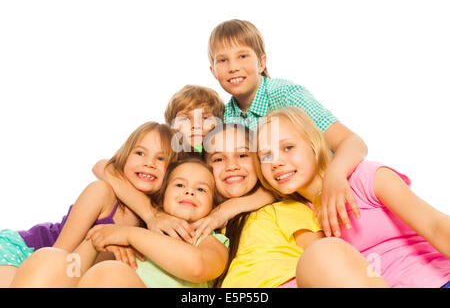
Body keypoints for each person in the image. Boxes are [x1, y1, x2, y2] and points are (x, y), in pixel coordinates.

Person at [255, 106, 450, 288]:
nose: (276, 162)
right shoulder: (296, 219)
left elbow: (436, 227)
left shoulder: (365, 178)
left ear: (313, 144)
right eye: (265, 156)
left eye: (288, 147)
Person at [207, 19, 367, 239]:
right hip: (293, 207)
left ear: (262, 62)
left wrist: (335, 175)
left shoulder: (286, 95)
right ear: (213, 70)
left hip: (332, 192)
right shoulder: (227, 117)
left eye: (243, 56)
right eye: (223, 60)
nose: (233, 66)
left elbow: (352, 142)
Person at [203, 123, 388, 288]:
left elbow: (327, 263)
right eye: (218, 159)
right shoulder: (211, 229)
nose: (231, 166)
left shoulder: (284, 210)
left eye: (242, 154)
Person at [92, 84, 274, 244]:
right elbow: (102, 166)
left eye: (205, 118)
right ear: (171, 127)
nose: (195, 126)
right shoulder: (165, 155)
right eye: (185, 119)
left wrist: (225, 211)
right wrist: (152, 215)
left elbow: (270, 190)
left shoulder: (220, 161)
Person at [11, 157, 229, 288]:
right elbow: (79, 271)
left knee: (109, 274)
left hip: (112, 279)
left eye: (201, 189)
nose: (190, 191)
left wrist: (128, 235)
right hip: (97, 277)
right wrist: (99, 239)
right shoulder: (140, 232)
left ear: (214, 204)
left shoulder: (209, 239)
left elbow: (198, 267)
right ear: (161, 198)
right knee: (49, 258)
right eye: (180, 185)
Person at [7, 121, 178, 287]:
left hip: (73, 274)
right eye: (140, 153)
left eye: (161, 158)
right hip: (26, 250)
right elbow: (57, 259)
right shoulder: (102, 192)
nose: (149, 163)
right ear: (125, 156)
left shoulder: (158, 224)